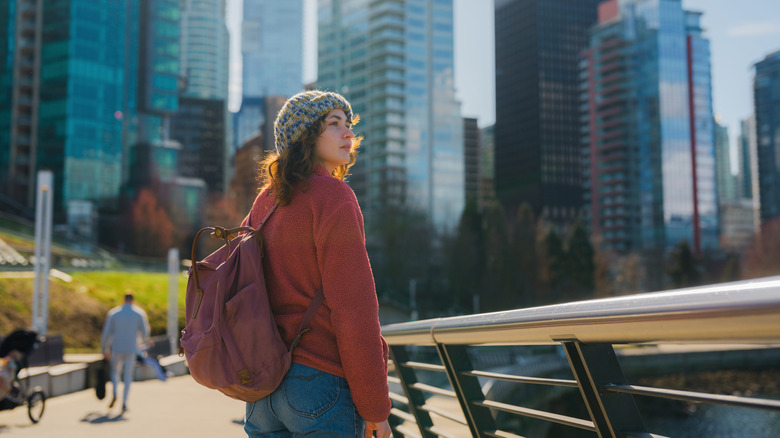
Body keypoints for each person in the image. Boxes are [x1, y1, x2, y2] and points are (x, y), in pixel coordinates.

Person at [241, 90, 392, 438]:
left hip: (263, 389)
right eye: (334, 124)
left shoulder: (265, 202)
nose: (348, 133)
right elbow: (354, 309)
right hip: (318, 385)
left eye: (348, 124)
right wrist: (375, 408)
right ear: (306, 136)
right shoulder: (334, 197)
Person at [101, 291, 150, 413]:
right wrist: (141, 344)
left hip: (116, 348)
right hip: (131, 348)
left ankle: (115, 392)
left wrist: (104, 349)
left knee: (115, 373)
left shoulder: (114, 313)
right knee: (128, 376)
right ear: (133, 300)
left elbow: (106, 333)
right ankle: (124, 402)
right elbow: (145, 333)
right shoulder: (139, 313)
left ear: (123, 300)